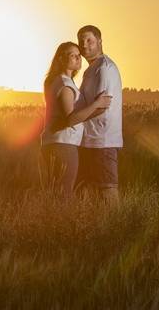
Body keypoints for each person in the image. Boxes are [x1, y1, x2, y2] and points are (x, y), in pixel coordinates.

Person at [40, 42, 112, 199]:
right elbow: (71, 119)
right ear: (60, 59)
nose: (78, 58)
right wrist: (97, 104)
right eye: (73, 55)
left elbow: (69, 117)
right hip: (63, 145)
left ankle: (50, 220)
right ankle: (62, 222)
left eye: (79, 55)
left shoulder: (56, 81)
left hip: (53, 142)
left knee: (56, 191)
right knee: (64, 192)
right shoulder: (65, 85)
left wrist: (95, 110)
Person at [75, 25, 123, 203]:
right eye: (81, 41)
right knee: (89, 192)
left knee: (107, 190)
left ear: (100, 41)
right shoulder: (90, 70)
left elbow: (102, 105)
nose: (85, 45)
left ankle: (117, 226)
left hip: (102, 140)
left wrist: (73, 120)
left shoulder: (105, 68)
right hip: (90, 140)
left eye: (89, 40)